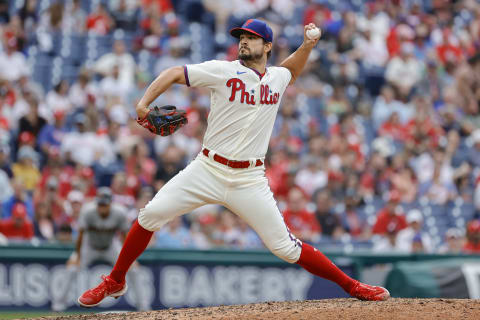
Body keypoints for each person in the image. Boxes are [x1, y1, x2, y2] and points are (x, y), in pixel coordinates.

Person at [78, 19, 389, 307]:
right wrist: (143, 105)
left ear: (267, 46)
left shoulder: (277, 78)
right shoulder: (223, 70)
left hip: (249, 179)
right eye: (241, 37)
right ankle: (115, 280)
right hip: (207, 168)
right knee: (151, 215)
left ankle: (353, 287)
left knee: (285, 248)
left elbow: (291, 71)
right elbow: (174, 72)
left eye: (251, 38)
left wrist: (307, 46)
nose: (243, 42)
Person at [53, 187, 149, 311]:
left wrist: (130, 258)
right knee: (71, 268)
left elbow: (125, 236)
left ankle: (143, 306)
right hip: (89, 246)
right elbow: (81, 235)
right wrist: (77, 255)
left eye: (105, 204)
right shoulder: (87, 211)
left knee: (134, 270)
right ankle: (59, 305)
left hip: (110, 246)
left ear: (110, 204)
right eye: (100, 204)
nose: (102, 207)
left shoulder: (119, 212)